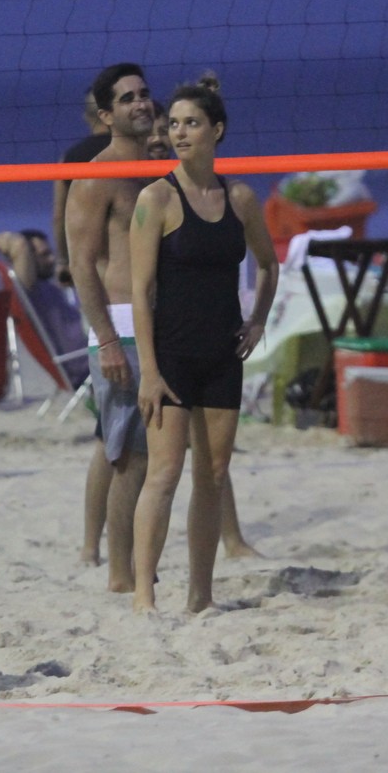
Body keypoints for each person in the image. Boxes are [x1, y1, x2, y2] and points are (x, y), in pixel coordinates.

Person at [129, 74, 279, 614]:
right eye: (174, 124)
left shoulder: (239, 198)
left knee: (213, 474)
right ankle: (144, 595)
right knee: (163, 473)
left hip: (222, 353)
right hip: (169, 353)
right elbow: (142, 290)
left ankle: (201, 595)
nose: (179, 133)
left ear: (217, 130)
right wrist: (148, 369)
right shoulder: (156, 197)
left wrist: (258, 319)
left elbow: (268, 263)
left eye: (192, 123)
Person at [64, 63, 157, 589]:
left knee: (142, 453)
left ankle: (130, 565)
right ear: (106, 115)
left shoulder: (158, 169)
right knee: (131, 458)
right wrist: (105, 341)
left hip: (158, 322)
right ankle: (120, 574)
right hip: (120, 327)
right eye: (127, 99)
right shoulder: (97, 176)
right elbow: (82, 264)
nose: (141, 104)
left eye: (145, 95)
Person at [0, 229, 89, 387]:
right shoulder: (28, 289)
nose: (52, 259)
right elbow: (20, 245)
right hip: (85, 361)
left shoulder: (44, 287)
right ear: (29, 258)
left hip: (90, 349)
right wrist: (6, 239)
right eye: (44, 255)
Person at [52, 86, 113, 286]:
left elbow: (59, 215)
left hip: (88, 259)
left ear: (87, 117)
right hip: (128, 255)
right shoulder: (131, 153)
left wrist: (63, 261)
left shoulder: (70, 158)